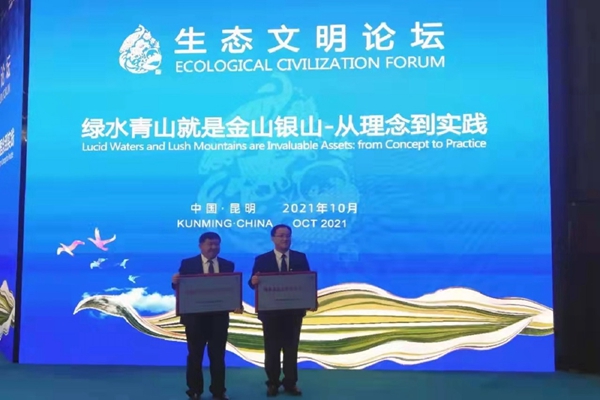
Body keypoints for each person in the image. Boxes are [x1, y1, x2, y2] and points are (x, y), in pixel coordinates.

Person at [248, 224, 316, 397]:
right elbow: (252, 283)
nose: (285, 239)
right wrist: (253, 281)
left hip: (293, 313)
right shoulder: (262, 259)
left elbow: (307, 282)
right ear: (273, 238)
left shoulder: (300, 258)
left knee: (291, 349)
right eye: (281, 236)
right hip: (270, 313)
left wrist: (311, 300)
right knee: (272, 350)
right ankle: (272, 383)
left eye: (288, 235)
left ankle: (290, 383)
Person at [172, 232, 239, 400]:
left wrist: (236, 302)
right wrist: (174, 282)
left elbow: (230, 290)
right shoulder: (188, 264)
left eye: (217, 244)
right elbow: (181, 288)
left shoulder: (227, 265)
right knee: (195, 356)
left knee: (218, 357)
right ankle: (194, 390)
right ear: (200, 246)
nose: (213, 247)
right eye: (210, 244)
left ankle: (219, 391)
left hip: (219, 319)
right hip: (195, 320)